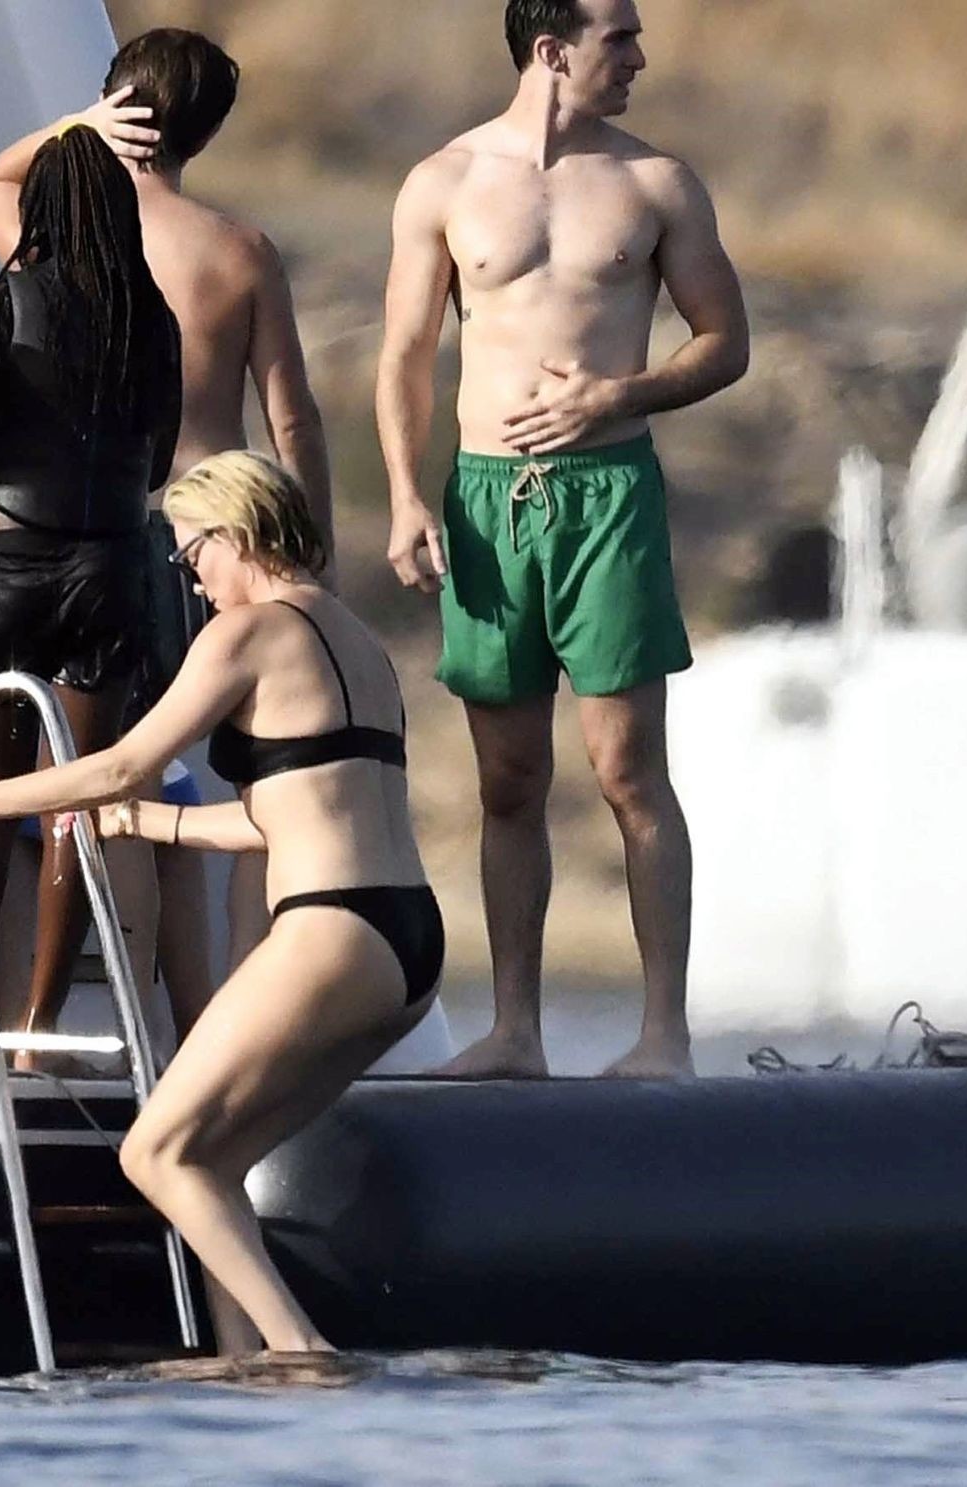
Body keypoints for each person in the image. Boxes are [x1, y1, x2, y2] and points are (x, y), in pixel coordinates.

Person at [0, 451, 440, 1354]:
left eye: (192, 555)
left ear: (236, 533)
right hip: (407, 941)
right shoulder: (357, 638)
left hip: (331, 932)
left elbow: (118, 760)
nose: (191, 580)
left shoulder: (247, 633)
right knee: (210, 1162)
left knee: (151, 1151)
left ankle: (301, 1353)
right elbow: (288, 815)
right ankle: (240, 1364)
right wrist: (152, 823)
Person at [376, 0, 748, 1079]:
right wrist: (404, 496)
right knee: (508, 779)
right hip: (487, 499)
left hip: (608, 493)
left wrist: (615, 395)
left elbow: (726, 342)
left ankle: (664, 1034)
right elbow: (405, 354)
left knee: (629, 767)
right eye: (616, 37)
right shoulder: (443, 182)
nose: (637, 56)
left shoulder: (656, 182)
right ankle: (516, 1032)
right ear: (551, 49)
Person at [0, 28, 335, 979]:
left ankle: (125, 1016)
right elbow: (292, 417)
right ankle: (215, 1012)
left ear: (113, 107)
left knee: (106, 785)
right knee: (245, 782)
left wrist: (77, 126)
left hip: (96, 532)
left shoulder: (62, 241)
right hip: (216, 533)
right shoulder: (240, 250)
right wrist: (314, 553)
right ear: (205, 136)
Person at [0, 125, 182, 1039]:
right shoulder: (153, 319)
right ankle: (38, 1022)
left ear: (40, 214)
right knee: (77, 802)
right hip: (109, 560)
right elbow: (159, 461)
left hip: (11, 557)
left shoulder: (1, 301)